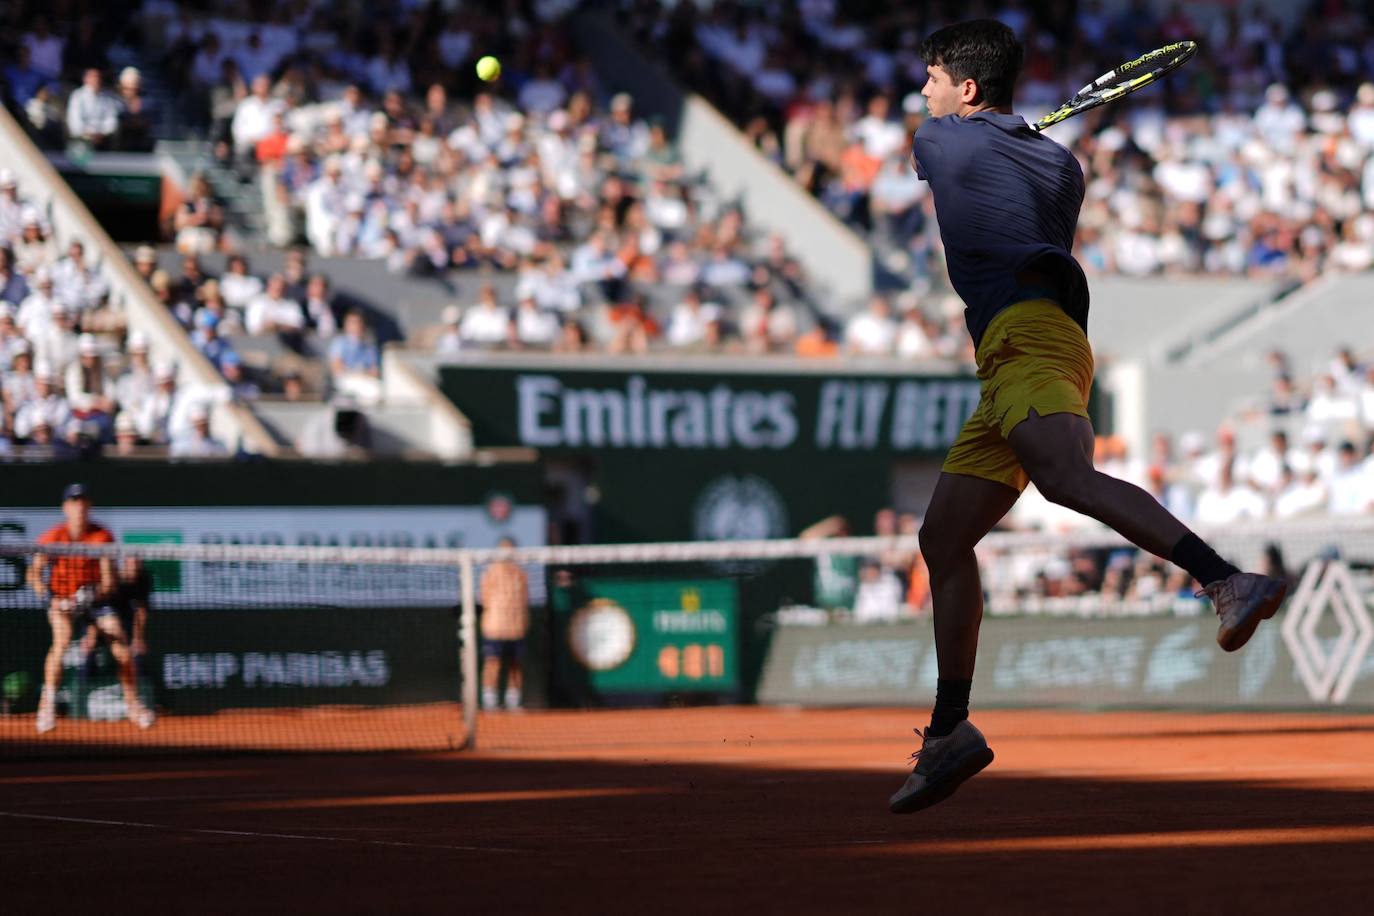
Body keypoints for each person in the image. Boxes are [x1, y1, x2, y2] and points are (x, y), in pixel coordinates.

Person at [889, 20, 1288, 816]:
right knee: (942, 540)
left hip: (1027, 338)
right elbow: (1012, 192)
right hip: (1028, 348)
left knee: (1065, 479)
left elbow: (932, 152)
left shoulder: (944, 142)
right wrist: (997, 133)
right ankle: (949, 733)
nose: (923, 94)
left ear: (965, 91)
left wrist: (968, 133)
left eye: (932, 80)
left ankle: (1224, 578)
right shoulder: (1060, 163)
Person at [28, 484, 154, 734]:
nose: (79, 508)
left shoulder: (102, 537)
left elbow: (109, 581)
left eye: (83, 503)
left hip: (93, 599)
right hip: (60, 598)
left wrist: (91, 595)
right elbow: (33, 573)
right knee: (61, 642)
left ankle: (133, 705)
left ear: (90, 507)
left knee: (121, 645)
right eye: (74, 503)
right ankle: (47, 706)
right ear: (65, 508)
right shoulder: (53, 537)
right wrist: (50, 598)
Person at [479, 537, 530, 710]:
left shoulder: (521, 574)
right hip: (495, 628)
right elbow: (485, 599)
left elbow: (525, 601)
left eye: (510, 550)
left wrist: (523, 623)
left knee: (516, 663)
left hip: (517, 629)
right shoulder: (490, 573)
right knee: (493, 661)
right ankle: (489, 699)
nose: (508, 554)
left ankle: (513, 698)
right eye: (504, 550)